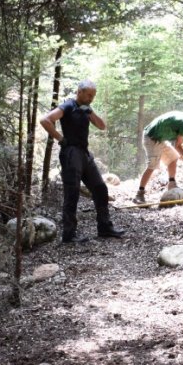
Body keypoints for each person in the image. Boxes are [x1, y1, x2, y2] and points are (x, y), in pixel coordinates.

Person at [39, 80, 126, 243]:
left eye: (93, 96)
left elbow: (102, 126)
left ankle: (105, 228)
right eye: (89, 95)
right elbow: (45, 120)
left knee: (100, 188)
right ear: (79, 92)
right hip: (71, 152)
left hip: (84, 153)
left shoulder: (86, 108)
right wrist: (60, 139)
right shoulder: (68, 106)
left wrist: (89, 111)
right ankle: (69, 235)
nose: (91, 98)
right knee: (72, 193)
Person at [134, 110, 183, 204]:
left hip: (160, 138)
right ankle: (139, 194)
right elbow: (177, 146)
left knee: (173, 158)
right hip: (151, 137)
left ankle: (172, 185)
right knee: (153, 165)